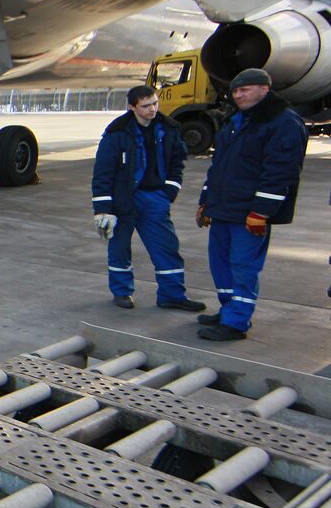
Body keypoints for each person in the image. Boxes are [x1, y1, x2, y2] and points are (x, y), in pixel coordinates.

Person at [195, 67, 308, 341]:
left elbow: (280, 172)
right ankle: (228, 310)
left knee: (243, 267)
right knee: (220, 263)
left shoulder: (282, 122)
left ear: (264, 89)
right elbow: (218, 165)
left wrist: (261, 212)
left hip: (248, 213)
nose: (239, 95)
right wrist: (205, 201)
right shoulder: (237, 118)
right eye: (235, 91)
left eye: (245, 90)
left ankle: (236, 323)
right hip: (223, 208)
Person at [91, 85, 206, 312]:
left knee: (166, 247)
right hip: (122, 200)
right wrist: (102, 210)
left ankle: (172, 295)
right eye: (145, 106)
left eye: (154, 103)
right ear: (132, 107)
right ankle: (122, 292)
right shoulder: (117, 134)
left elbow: (177, 163)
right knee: (119, 248)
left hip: (154, 199)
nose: (152, 109)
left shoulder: (168, 129)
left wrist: (169, 192)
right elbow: (102, 173)